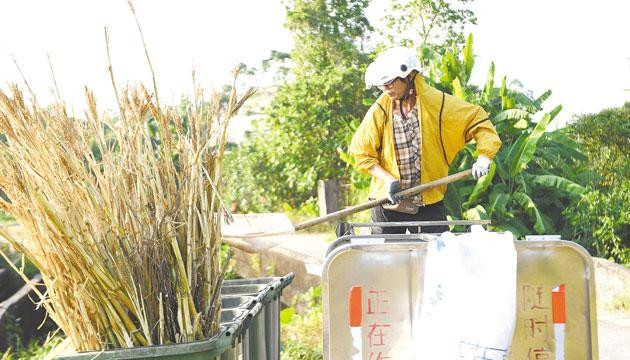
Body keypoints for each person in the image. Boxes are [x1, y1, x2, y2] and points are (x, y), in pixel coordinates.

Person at [349, 47, 501, 234]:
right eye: (382, 85)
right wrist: (388, 180)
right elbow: (361, 153)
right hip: (387, 202)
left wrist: (484, 157)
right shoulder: (379, 110)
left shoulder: (437, 104)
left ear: (409, 76)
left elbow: (476, 118)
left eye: (389, 82)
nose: (385, 88)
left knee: (436, 255)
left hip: (427, 201)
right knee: (386, 259)